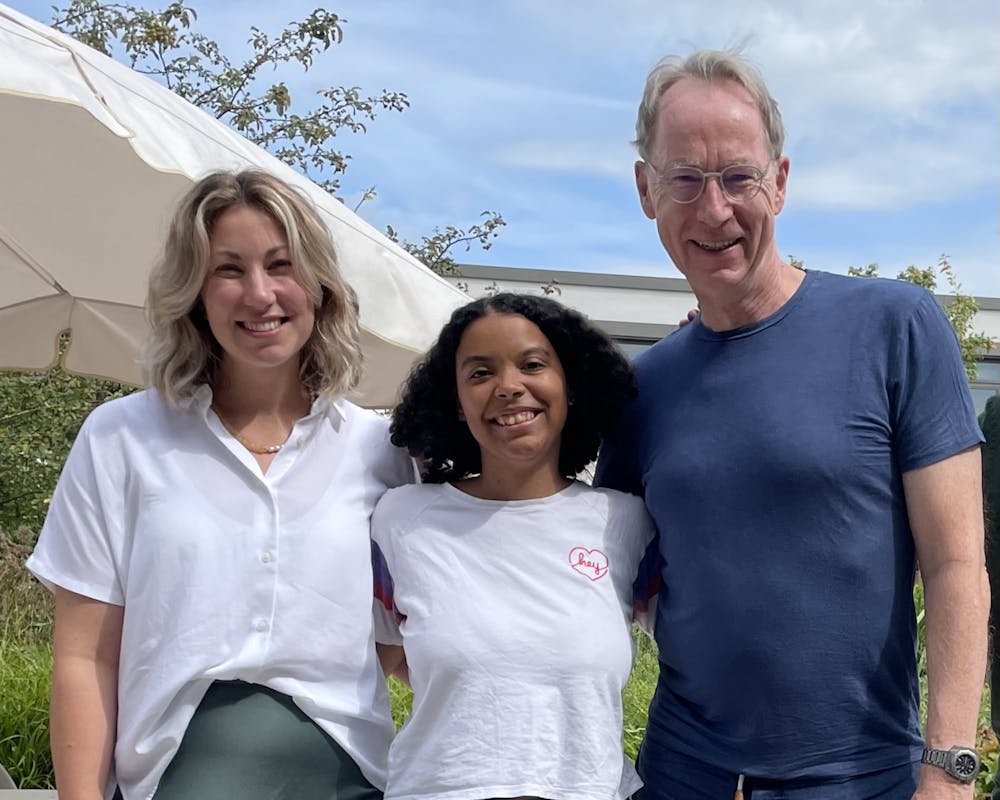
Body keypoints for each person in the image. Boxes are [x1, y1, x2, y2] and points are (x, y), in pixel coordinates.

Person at [595, 50, 989, 800]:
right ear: (648, 190)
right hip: (685, 777)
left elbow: (956, 566)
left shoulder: (895, 328)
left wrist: (951, 771)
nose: (715, 210)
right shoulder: (642, 389)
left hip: (865, 780)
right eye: (685, 178)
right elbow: (596, 576)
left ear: (778, 182)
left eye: (738, 177)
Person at [27, 169, 414, 800]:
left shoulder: (383, 452)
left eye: (281, 264)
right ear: (195, 294)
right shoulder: (121, 439)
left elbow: (406, 646)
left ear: (318, 285)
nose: (259, 294)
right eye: (228, 270)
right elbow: (84, 657)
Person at [370, 292, 660, 800]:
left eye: (532, 365)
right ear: (456, 404)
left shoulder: (626, 521)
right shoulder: (402, 519)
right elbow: (383, 651)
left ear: (570, 387)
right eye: (480, 374)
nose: (508, 387)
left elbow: (700, 646)